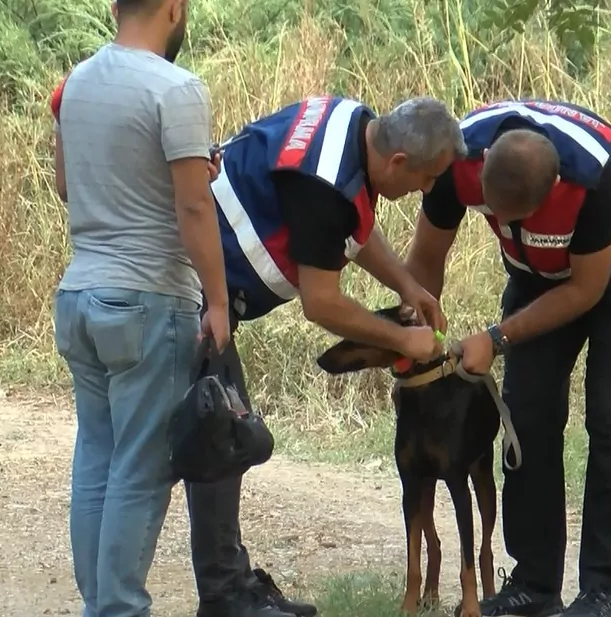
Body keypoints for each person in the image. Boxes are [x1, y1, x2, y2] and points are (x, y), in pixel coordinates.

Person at [184, 93, 466, 617]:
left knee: (220, 434)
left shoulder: (352, 122)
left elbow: (352, 230)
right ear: (399, 162)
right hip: (189, 293)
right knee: (221, 432)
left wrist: (407, 284)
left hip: (203, 290)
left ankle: (228, 585)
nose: (428, 191)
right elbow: (323, 303)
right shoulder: (326, 186)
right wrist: (403, 340)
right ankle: (221, 593)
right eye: (427, 179)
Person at [404, 99, 611, 617]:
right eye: (492, 213)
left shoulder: (591, 179)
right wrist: (421, 334)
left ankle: (601, 593)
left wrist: (496, 337)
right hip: (534, 272)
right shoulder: (453, 158)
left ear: (549, 193)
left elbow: (585, 290)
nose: (497, 225)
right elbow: (428, 257)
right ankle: (533, 585)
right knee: (526, 416)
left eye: (512, 218)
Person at [47, 1, 233, 615]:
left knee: (97, 457)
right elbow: (193, 209)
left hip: (80, 295)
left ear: (112, 6)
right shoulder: (177, 88)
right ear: (175, 8)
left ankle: (100, 603)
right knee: (140, 469)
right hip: (149, 298)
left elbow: (66, 185)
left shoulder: (76, 82)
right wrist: (219, 297)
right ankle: (119, 607)